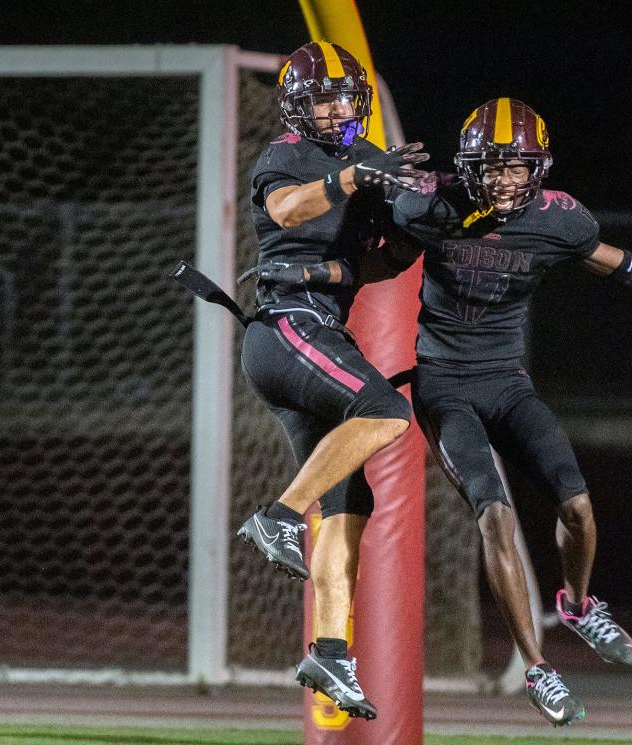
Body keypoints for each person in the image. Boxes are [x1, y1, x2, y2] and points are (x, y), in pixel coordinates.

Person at [303, 97, 632, 726]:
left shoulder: (559, 222)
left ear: (538, 169)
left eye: (516, 167)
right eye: (492, 166)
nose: (503, 179)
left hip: (508, 382)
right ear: (468, 165)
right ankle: (537, 668)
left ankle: (578, 605)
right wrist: (303, 281)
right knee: (494, 517)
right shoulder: (428, 205)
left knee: (576, 505)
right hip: (444, 385)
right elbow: (374, 264)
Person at [235, 40, 429, 720]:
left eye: (348, 96)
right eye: (325, 96)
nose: (340, 106)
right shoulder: (287, 156)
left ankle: (329, 650)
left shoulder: (358, 169)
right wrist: (352, 179)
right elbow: (288, 211)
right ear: (296, 104)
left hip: (315, 331)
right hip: (286, 326)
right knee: (385, 410)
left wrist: (412, 238)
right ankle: (275, 515)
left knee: (348, 510)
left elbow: (369, 269)